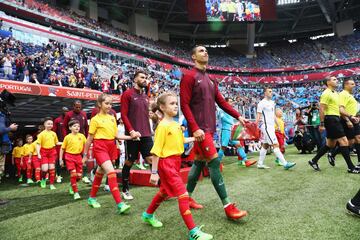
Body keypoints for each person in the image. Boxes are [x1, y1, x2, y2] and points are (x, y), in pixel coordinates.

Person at [180, 45, 247, 219]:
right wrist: (194, 128)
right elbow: (184, 105)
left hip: (210, 128)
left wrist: (238, 115)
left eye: (206, 51)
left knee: (199, 163)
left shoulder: (211, 79)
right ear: (193, 57)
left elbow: (222, 102)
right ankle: (228, 206)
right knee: (214, 163)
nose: (205, 52)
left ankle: (186, 198)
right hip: (200, 129)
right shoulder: (188, 76)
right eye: (201, 51)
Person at [142, 92, 213, 240]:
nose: (175, 106)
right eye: (171, 103)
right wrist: (154, 172)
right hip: (166, 163)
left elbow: (181, 140)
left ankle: (148, 215)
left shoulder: (175, 124)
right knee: (183, 195)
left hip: (175, 162)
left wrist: (195, 137)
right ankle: (193, 232)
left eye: (176, 103)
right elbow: (156, 151)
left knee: (164, 192)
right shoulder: (162, 127)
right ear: (162, 107)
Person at [83, 94, 133, 213]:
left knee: (100, 172)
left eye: (111, 103)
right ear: (100, 104)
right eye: (107, 103)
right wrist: (85, 155)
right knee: (111, 173)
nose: (109, 106)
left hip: (111, 146)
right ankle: (120, 204)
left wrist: (131, 137)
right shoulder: (95, 119)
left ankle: (91, 198)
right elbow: (89, 139)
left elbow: (116, 135)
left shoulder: (112, 118)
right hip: (100, 147)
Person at [308, 76, 359, 173]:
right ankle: (351, 167)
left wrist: (349, 117)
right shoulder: (326, 93)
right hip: (330, 119)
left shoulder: (336, 93)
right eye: (334, 79)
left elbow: (340, 108)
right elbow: (322, 109)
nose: (337, 81)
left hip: (336, 118)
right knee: (344, 141)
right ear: (328, 82)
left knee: (330, 144)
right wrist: (322, 124)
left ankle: (313, 160)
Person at [121, 70, 153, 200]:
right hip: (133, 135)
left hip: (146, 134)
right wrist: (131, 130)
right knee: (130, 161)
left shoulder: (146, 96)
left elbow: (146, 115)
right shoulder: (127, 94)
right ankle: (125, 189)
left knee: (151, 159)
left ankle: (164, 187)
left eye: (146, 77)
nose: (144, 79)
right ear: (135, 79)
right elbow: (123, 114)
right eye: (142, 77)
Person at [255, 88, 296, 170]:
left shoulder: (272, 103)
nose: (271, 93)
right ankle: (285, 163)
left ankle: (260, 163)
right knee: (275, 144)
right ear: (265, 93)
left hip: (271, 126)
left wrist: (278, 125)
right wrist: (255, 126)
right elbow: (258, 115)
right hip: (266, 126)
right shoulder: (261, 103)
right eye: (269, 91)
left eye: (272, 91)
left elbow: (273, 115)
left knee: (265, 145)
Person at [327, 78, 360, 167]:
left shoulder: (350, 95)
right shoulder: (342, 94)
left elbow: (352, 108)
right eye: (352, 84)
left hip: (353, 120)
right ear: (346, 85)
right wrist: (348, 119)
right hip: (347, 120)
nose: (354, 85)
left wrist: (357, 116)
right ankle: (332, 154)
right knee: (348, 142)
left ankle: (332, 154)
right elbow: (341, 109)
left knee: (354, 140)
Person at [218, 98, 256, 167]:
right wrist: (233, 123)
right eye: (230, 101)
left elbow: (237, 117)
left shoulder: (231, 111)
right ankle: (217, 163)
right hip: (225, 130)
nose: (232, 103)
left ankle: (246, 161)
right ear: (226, 102)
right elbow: (223, 118)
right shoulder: (221, 110)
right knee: (223, 147)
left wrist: (244, 120)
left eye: (232, 101)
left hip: (232, 130)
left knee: (238, 145)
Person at [62, 100, 90, 183]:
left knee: (85, 158)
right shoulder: (69, 114)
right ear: (73, 106)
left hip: (82, 139)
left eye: (79, 107)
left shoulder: (84, 114)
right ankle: (73, 174)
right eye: (76, 107)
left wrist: (88, 137)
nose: (78, 108)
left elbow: (86, 127)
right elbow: (64, 127)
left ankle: (84, 175)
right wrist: (66, 138)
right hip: (72, 139)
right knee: (75, 157)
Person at [59, 119, 87, 200]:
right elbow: (62, 149)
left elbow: (86, 146)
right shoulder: (67, 137)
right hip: (69, 157)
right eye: (75, 126)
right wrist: (60, 159)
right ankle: (76, 193)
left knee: (79, 176)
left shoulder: (82, 136)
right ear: (70, 128)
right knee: (73, 174)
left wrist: (85, 156)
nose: (77, 127)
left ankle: (72, 185)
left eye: (78, 126)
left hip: (78, 157)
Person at [36, 117, 60, 189]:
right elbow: (38, 144)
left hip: (52, 152)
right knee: (45, 169)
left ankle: (51, 184)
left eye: (51, 124)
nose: (50, 125)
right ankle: (43, 179)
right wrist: (38, 153)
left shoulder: (54, 133)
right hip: (44, 152)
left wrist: (64, 143)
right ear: (45, 124)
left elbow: (56, 142)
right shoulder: (41, 134)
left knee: (52, 168)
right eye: (48, 124)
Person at [53, 106, 69, 183]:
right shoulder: (57, 120)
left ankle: (73, 174)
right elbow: (54, 131)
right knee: (59, 160)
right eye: (64, 111)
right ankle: (58, 175)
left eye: (67, 111)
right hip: (59, 143)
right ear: (62, 111)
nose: (66, 112)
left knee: (69, 158)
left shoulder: (70, 120)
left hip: (69, 143)